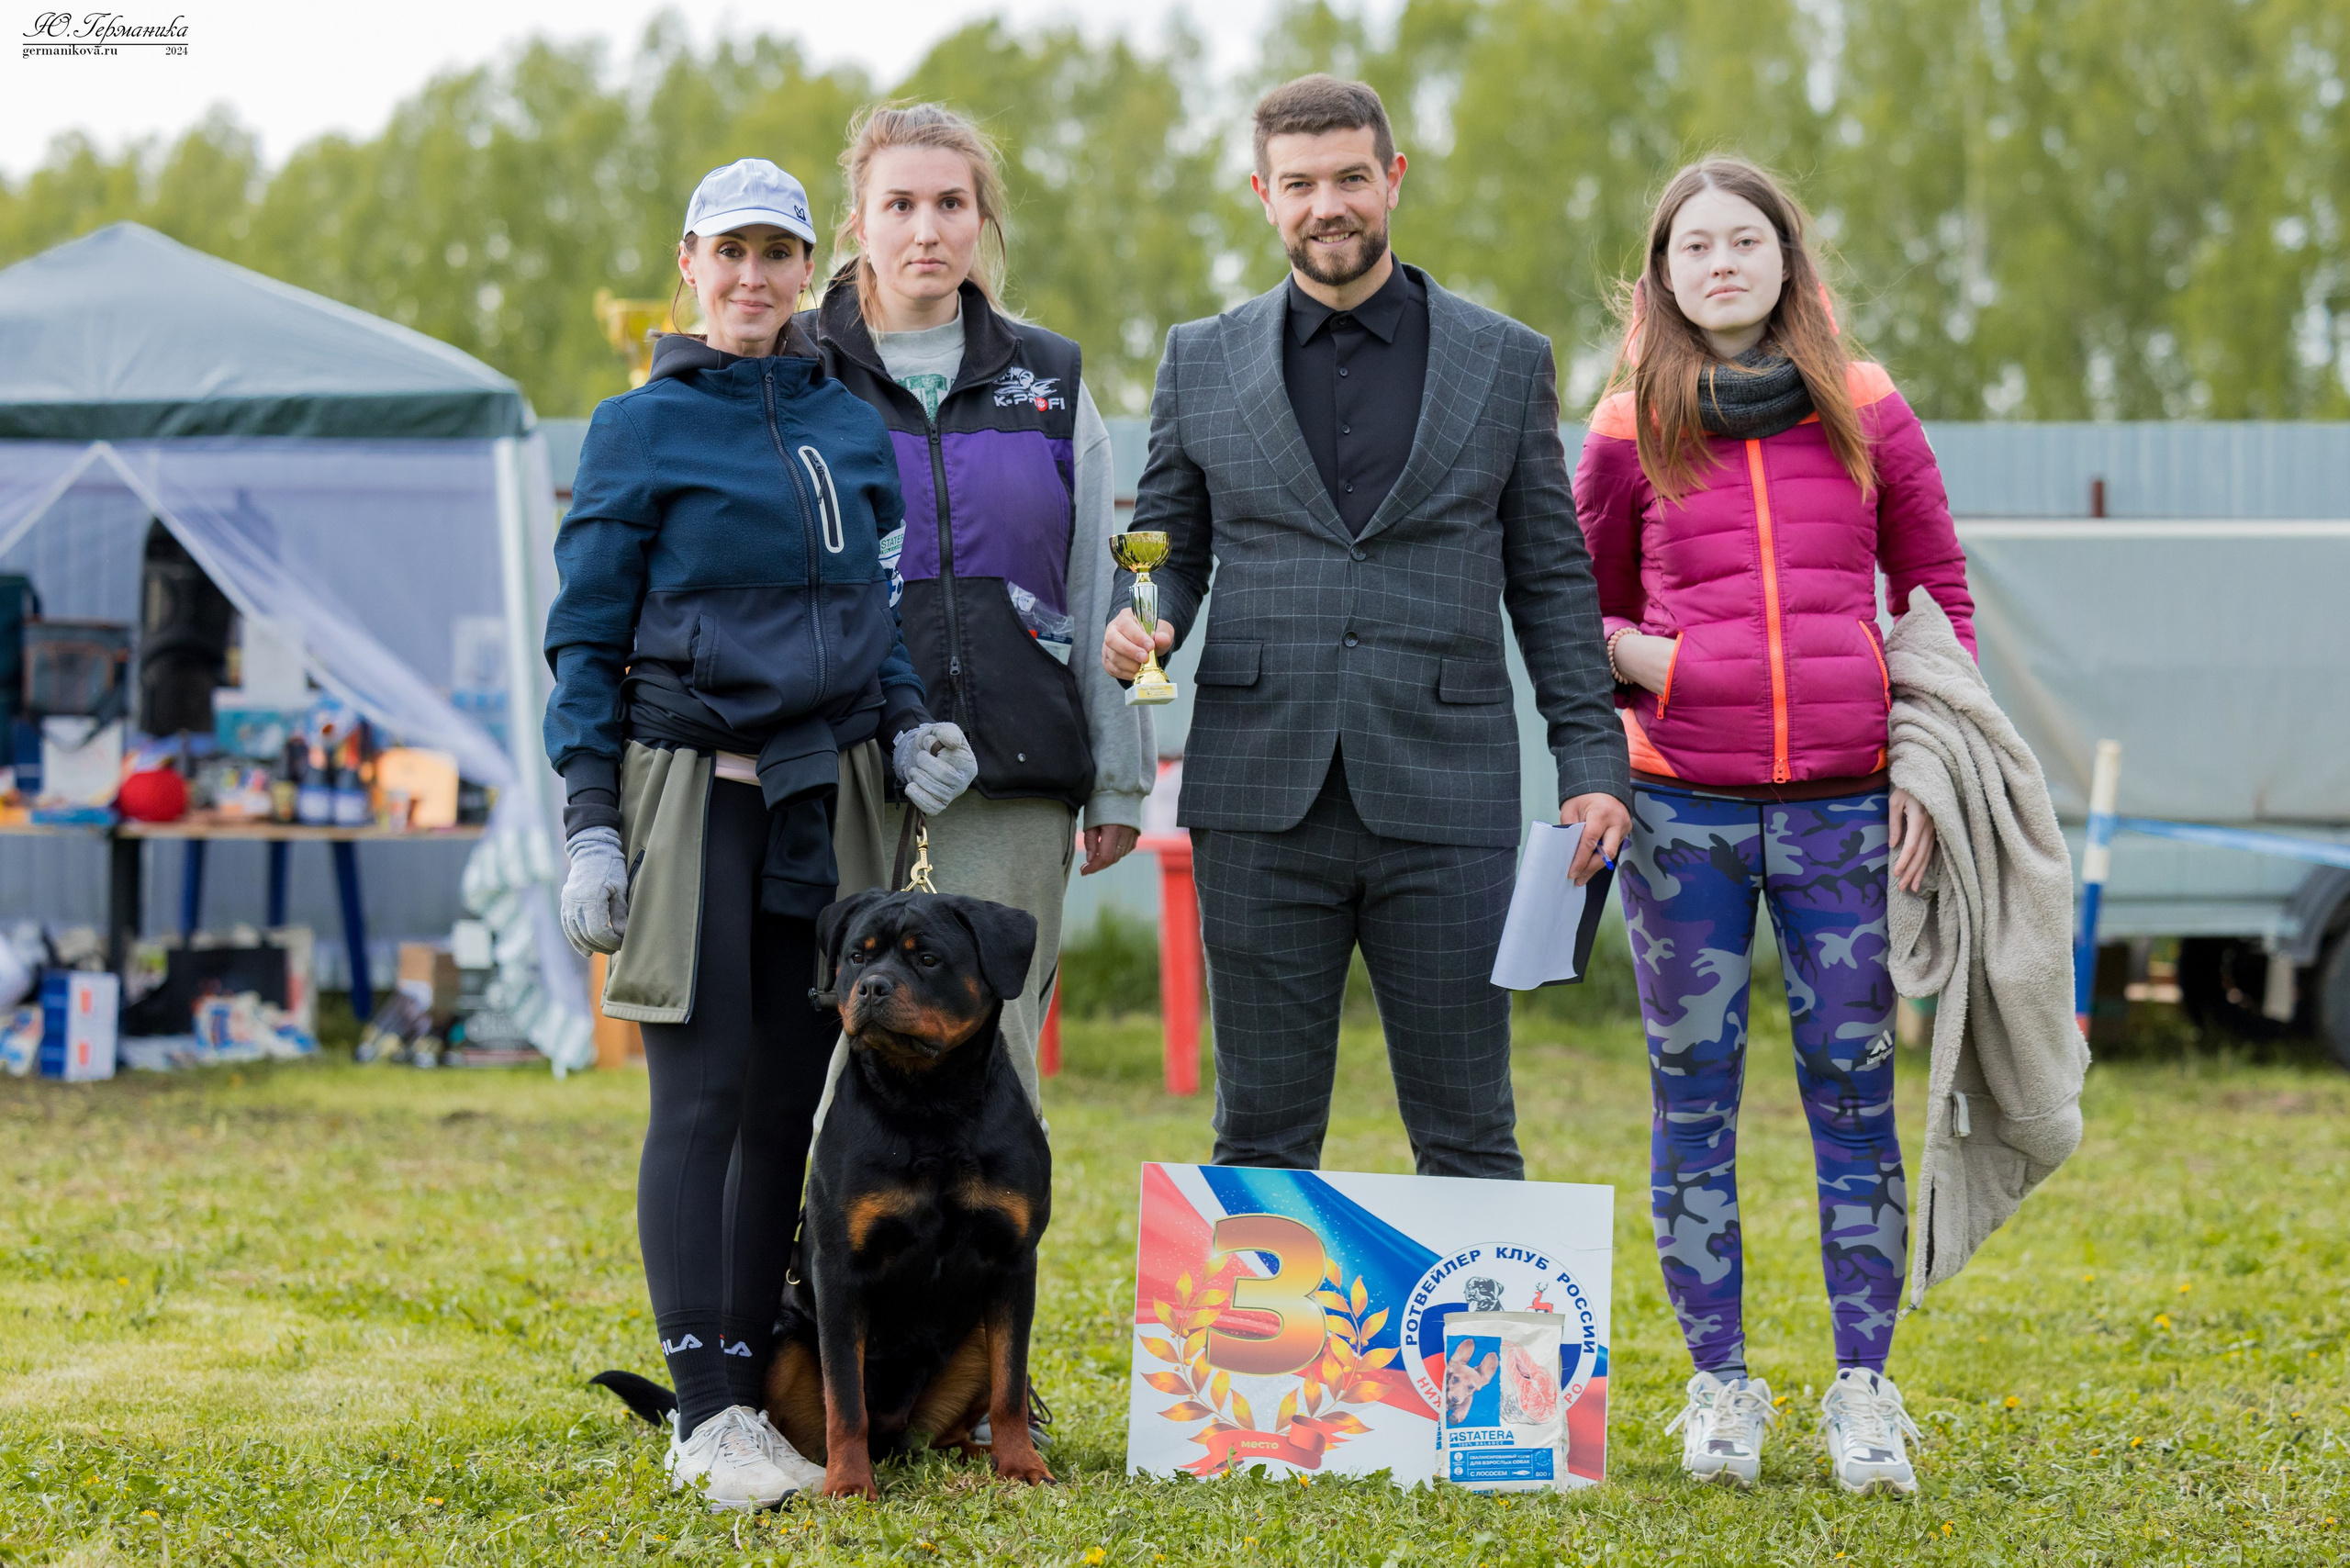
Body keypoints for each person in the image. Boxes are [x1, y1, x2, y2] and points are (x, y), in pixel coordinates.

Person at [543, 157, 977, 1511]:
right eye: (728, 254)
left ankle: (741, 1394)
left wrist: (909, 727)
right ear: (689, 265)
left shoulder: (852, 425)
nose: (752, 279)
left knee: (790, 1100)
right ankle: (707, 1414)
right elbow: (584, 641)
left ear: (809, 271)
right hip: (688, 793)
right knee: (706, 1094)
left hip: (830, 798)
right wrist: (588, 825)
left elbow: (875, 621)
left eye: (776, 256)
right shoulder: (638, 428)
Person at [1102, 75, 1630, 1178]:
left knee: (1469, 1132)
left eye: (1349, 177)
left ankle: (1482, 1361)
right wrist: (1138, 620)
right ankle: (1255, 1357)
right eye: (1298, 185)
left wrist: (1592, 760)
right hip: (1258, 794)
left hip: (1448, 796)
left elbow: (1550, 579)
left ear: (1392, 179)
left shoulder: (1504, 360)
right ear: (1262, 195)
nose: (1325, 205)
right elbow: (1163, 540)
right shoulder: (1198, 358)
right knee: (1259, 1137)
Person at [1574, 155, 1975, 1496]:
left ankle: (1865, 1390)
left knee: (1855, 1098)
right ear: (1665, 276)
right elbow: (1574, 602)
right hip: (1681, 811)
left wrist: (1925, 765)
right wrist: (1654, 667)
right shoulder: (1629, 422)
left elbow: (1935, 599)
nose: (1723, 263)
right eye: (1696, 247)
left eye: (1746, 239)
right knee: (1694, 1107)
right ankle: (1719, 1390)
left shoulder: (1867, 407)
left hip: (1847, 816)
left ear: (1789, 261)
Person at [816, 103, 1152, 1112]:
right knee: (832, 1060)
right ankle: (823, 1269)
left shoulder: (1050, 380)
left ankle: (984, 1271)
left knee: (994, 1062)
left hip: (1012, 782)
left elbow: (1101, 593)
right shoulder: (798, 368)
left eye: (950, 203)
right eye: (900, 203)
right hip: (845, 773)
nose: (927, 229)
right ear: (858, 222)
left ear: (982, 221)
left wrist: (1119, 783)